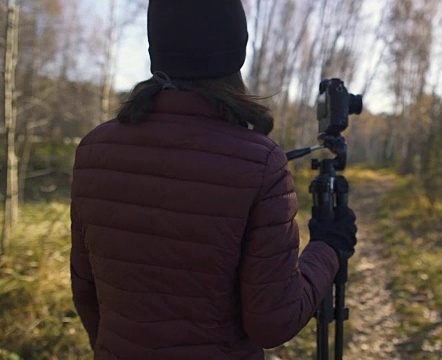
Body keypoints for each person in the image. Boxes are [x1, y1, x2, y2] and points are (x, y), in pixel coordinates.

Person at [69, 1, 357, 359]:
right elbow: (273, 321)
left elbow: (85, 291)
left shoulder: (94, 150)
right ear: (235, 50)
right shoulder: (260, 162)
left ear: (155, 47)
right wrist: (329, 246)